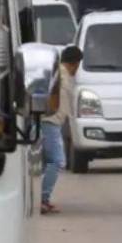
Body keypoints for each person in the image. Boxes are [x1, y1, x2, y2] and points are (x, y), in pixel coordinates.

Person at [41, 46, 82, 214]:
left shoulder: (59, 74)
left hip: (51, 123)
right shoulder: (60, 77)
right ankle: (43, 198)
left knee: (46, 162)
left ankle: (42, 198)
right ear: (75, 63)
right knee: (57, 161)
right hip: (49, 123)